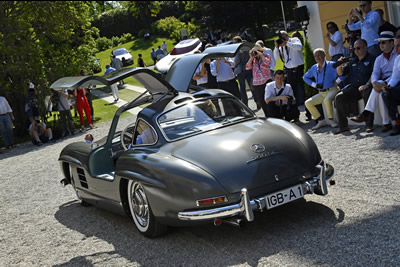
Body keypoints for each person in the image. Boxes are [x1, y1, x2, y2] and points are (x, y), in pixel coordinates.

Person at [350, 31, 396, 132]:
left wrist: (383, 83)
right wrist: (375, 83)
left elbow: (396, 74)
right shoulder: (379, 58)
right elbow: (375, 73)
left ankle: (366, 114)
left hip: (395, 81)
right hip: (382, 81)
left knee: (380, 91)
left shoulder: (397, 55)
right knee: (378, 93)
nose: (381, 45)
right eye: (380, 43)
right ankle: (386, 123)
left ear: (392, 43)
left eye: (383, 42)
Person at [334, 39, 376, 134]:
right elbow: (341, 74)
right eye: (354, 48)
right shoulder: (352, 60)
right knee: (339, 97)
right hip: (354, 88)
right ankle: (343, 126)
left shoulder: (372, 59)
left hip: (366, 86)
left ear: (365, 47)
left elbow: (374, 74)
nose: (356, 50)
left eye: (358, 48)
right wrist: (339, 65)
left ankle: (369, 125)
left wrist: (367, 84)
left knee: (367, 93)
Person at [303, 48, 340, 130]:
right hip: (321, 93)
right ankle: (321, 120)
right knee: (308, 103)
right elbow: (305, 77)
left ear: (324, 55)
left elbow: (343, 74)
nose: (317, 57)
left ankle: (331, 120)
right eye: (315, 56)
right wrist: (314, 85)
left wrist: (337, 81)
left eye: (319, 55)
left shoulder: (331, 64)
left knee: (327, 100)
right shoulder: (314, 67)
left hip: (332, 89)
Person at [273, 30, 305, 121]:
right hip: (290, 71)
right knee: (292, 94)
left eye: (283, 37)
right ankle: (295, 116)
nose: (282, 40)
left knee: (303, 91)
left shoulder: (294, 40)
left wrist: (287, 43)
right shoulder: (282, 47)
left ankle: (309, 114)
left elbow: (299, 47)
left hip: (299, 69)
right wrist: (276, 47)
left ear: (287, 36)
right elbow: (277, 57)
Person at [246, 43, 272, 117]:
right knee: (262, 101)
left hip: (266, 81)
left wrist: (261, 55)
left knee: (268, 100)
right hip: (257, 84)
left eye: (257, 51)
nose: (256, 53)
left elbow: (267, 63)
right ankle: (267, 116)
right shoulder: (253, 60)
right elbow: (247, 67)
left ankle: (273, 115)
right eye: (255, 51)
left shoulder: (266, 56)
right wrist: (251, 57)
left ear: (261, 51)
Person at [381, 34, 400, 136]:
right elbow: (395, 77)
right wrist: (388, 87)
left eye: (398, 46)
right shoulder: (397, 59)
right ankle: (397, 123)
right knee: (386, 94)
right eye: (395, 46)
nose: (396, 48)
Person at [232, 36, 255, 107]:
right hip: (248, 68)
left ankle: (245, 103)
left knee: (242, 88)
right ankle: (257, 100)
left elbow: (237, 60)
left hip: (241, 70)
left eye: (234, 42)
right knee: (251, 85)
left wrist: (234, 64)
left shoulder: (238, 48)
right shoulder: (246, 47)